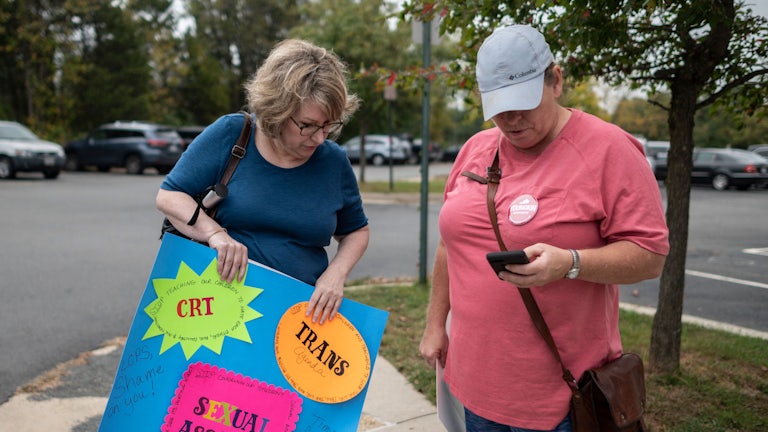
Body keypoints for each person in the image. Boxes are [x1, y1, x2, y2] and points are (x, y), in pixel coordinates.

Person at [419, 25, 669, 431]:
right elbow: (451, 245)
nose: (512, 120)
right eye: (499, 107)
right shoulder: (475, 148)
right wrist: (434, 326)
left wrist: (571, 263)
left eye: (523, 103)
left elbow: (650, 256)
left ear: (555, 80)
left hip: (561, 401)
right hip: (475, 385)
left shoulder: (610, 150)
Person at [156, 39, 369, 325]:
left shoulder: (333, 161)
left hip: (296, 319)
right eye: (307, 125)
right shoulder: (232, 134)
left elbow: (356, 231)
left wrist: (336, 274)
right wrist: (215, 234)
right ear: (277, 109)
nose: (320, 138)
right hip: (216, 312)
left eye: (329, 125)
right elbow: (169, 197)